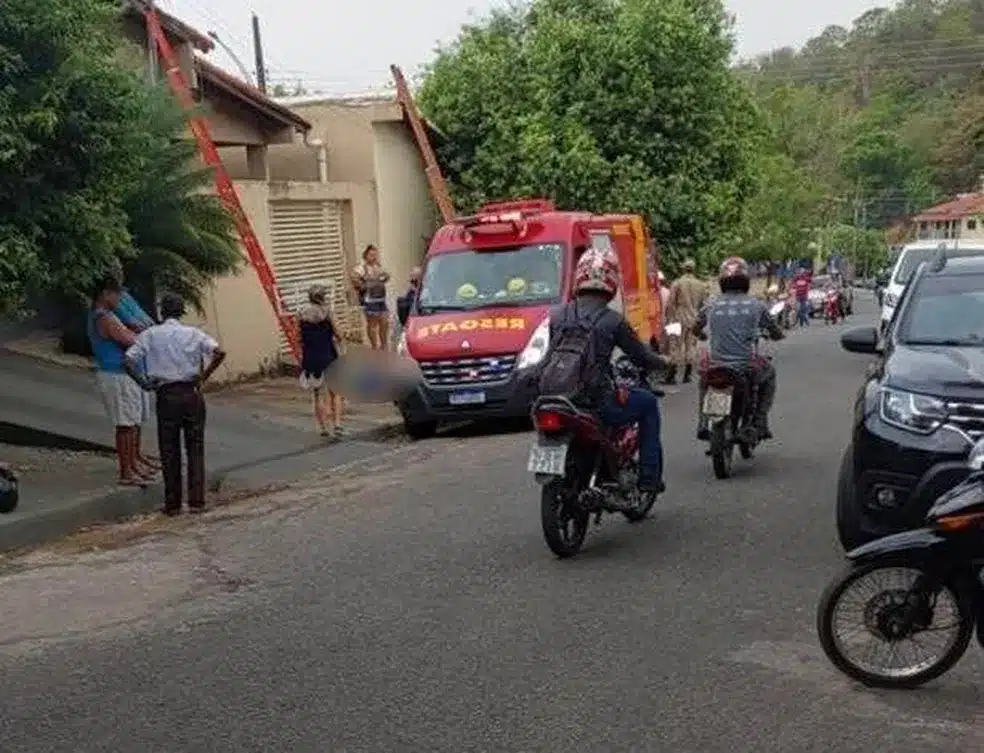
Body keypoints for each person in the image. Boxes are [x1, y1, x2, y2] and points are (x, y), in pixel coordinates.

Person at [545, 247, 668, 493]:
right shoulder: (612, 320)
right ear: (611, 280)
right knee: (647, 404)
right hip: (594, 402)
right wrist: (663, 361)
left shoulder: (556, 315)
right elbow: (640, 355)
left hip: (553, 399)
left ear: (579, 276)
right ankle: (649, 477)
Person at [124, 293, 226, 516]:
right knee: (195, 446)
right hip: (191, 393)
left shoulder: (150, 335)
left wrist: (144, 382)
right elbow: (219, 353)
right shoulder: (194, 334)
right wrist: (203, 376)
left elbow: (128, 360)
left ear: (162, 312)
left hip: (166, 394)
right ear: (181, 312)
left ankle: (173, 504)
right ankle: (197, 501)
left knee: (169, 449)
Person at [694, 256, 783, 441]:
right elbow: (773, 330)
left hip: (716, 364)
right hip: (745, 366)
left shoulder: (711, 304)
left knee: (704, 380)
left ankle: (703, 422)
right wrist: (777, 334)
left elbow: (696, 327)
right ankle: (759, 422)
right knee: (770, 374)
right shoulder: (756, 305)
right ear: (746, 281)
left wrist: (702, 335)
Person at [87, 276, 154, 487]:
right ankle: (127, 471)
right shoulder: (104, 318)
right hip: (116, 374)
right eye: (116, 294)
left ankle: (133, 464)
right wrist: (135, 332)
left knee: (132, 422)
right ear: (106, 294)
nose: (120, 299)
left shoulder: (110, 316)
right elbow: (130, 340)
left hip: (125, 374)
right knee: (125, 425)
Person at [110, 267, 160, 475]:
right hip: (124, 367)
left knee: (138, 416)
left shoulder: (126, 296)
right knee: (127, 420)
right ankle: (129, 466)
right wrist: (145, 329)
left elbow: (145, 320)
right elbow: (134, 324)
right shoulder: (111, 306)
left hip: (140, 362)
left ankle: (137, 456)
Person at [298, 284, 345, 439]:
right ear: (323, 297)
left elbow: (299, 337)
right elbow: (339, 334)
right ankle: (337, 424)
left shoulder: (301, 313)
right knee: (335, 391)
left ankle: (323, 427)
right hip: (329, 354)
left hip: (310, 356)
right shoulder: (328, 312)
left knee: (317, 393)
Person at [665, 258, 708, 384]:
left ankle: (671, 376)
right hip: (693, 318)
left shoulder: (677, 283)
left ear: (683, 268)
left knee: (674, 346)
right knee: (691, 346)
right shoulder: (701, 285)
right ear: (693, 269)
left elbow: (671, 303)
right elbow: (703, 305)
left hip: (676, 318)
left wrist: (668, 320)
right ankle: (687, 375)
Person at [351, 245, 390, 351]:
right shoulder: (360, 268)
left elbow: (386, 276)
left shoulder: (378, 266)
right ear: (366, 255)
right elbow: (354, 280)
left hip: (381, 299)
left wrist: (384, 277)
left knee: (384, 321)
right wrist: (366, 285)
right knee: (373, 324)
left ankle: (384, 345)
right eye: (371, 255)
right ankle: (374, 346)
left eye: (375, 255)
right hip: (369, 300)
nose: (374, 257)